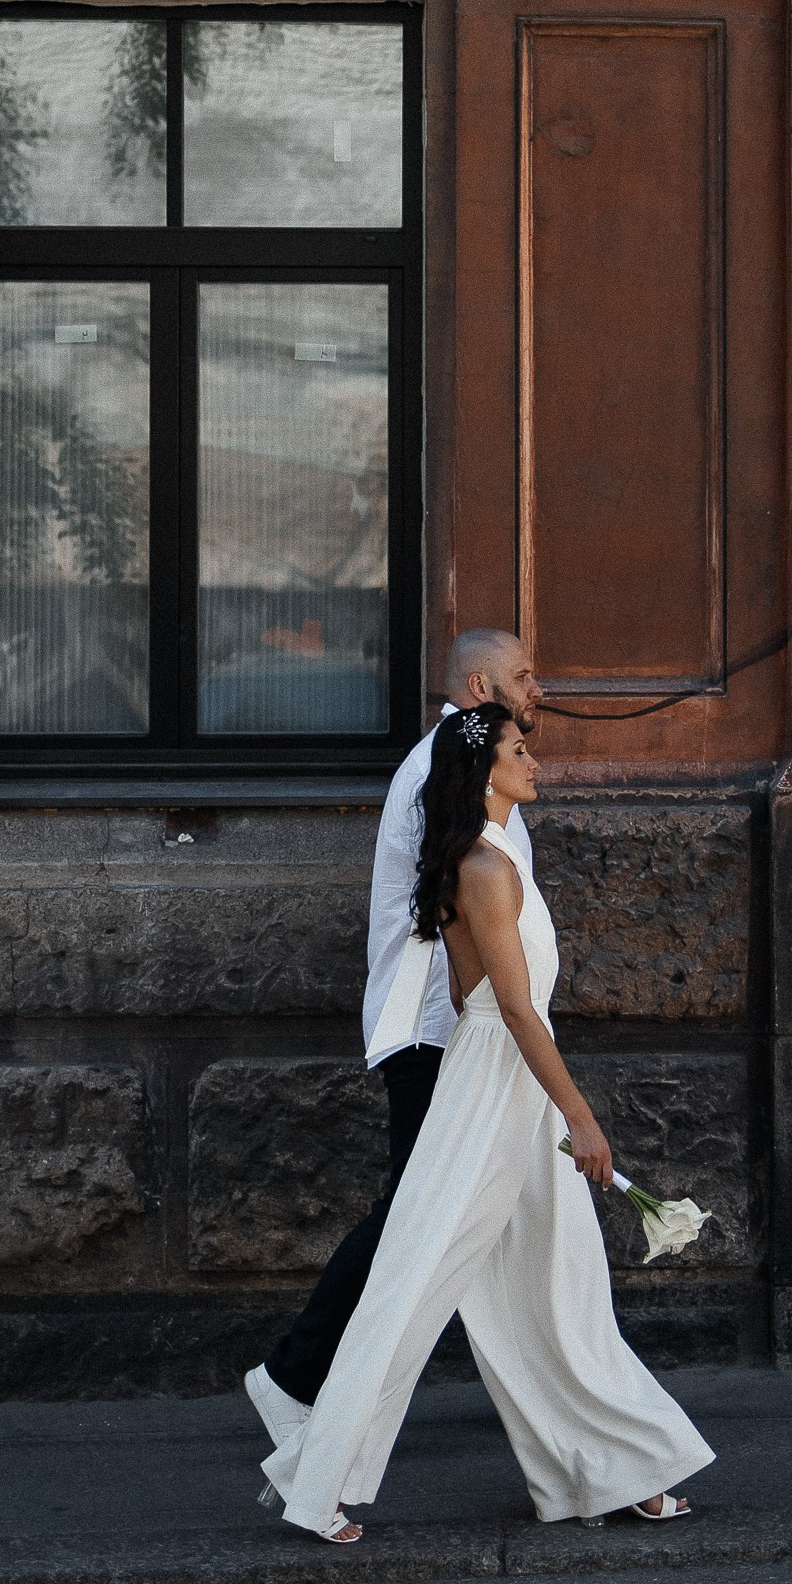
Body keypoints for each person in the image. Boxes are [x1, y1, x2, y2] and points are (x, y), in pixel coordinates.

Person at [266, 700, 714, 1547]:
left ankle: (615, 1470)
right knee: (417, 1279)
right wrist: (579, 1116)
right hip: (489, 1087)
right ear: (484, 771)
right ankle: (314, 1478)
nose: (535, 761)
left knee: (557, 1286)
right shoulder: (483, 868)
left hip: (517, 1087)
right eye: (519, 749)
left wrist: (557, 1107)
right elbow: (511, 1008)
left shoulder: (501, 853)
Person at [243, 628, 540, 1489]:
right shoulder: (441, 769)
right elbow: (452, 911)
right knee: (417, 1216)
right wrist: (495, 1025)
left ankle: (560, 1420)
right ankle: (299, 1379)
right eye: (523, 677)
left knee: (459, 1221)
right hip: (436, 1031)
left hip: (457, 1029)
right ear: (481, 684)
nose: (539, 690)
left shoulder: (472, 760)